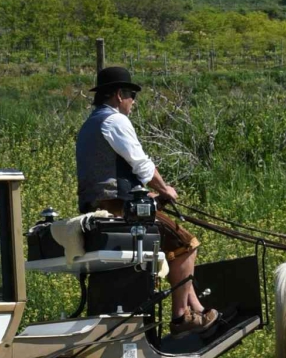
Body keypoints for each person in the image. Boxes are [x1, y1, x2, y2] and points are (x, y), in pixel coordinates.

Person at [75, 66, 215, 334]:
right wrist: (164, 189)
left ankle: (197, 309)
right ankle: (180, 317)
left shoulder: (89, 125)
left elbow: (111, 174)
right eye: (131, 96)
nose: (133, 103)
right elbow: (140, 164)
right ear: (118, 95)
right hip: (120, 211)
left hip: (100, 207)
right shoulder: (115, 121)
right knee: (187, 244)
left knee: (175, 244)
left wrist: (143, 193)